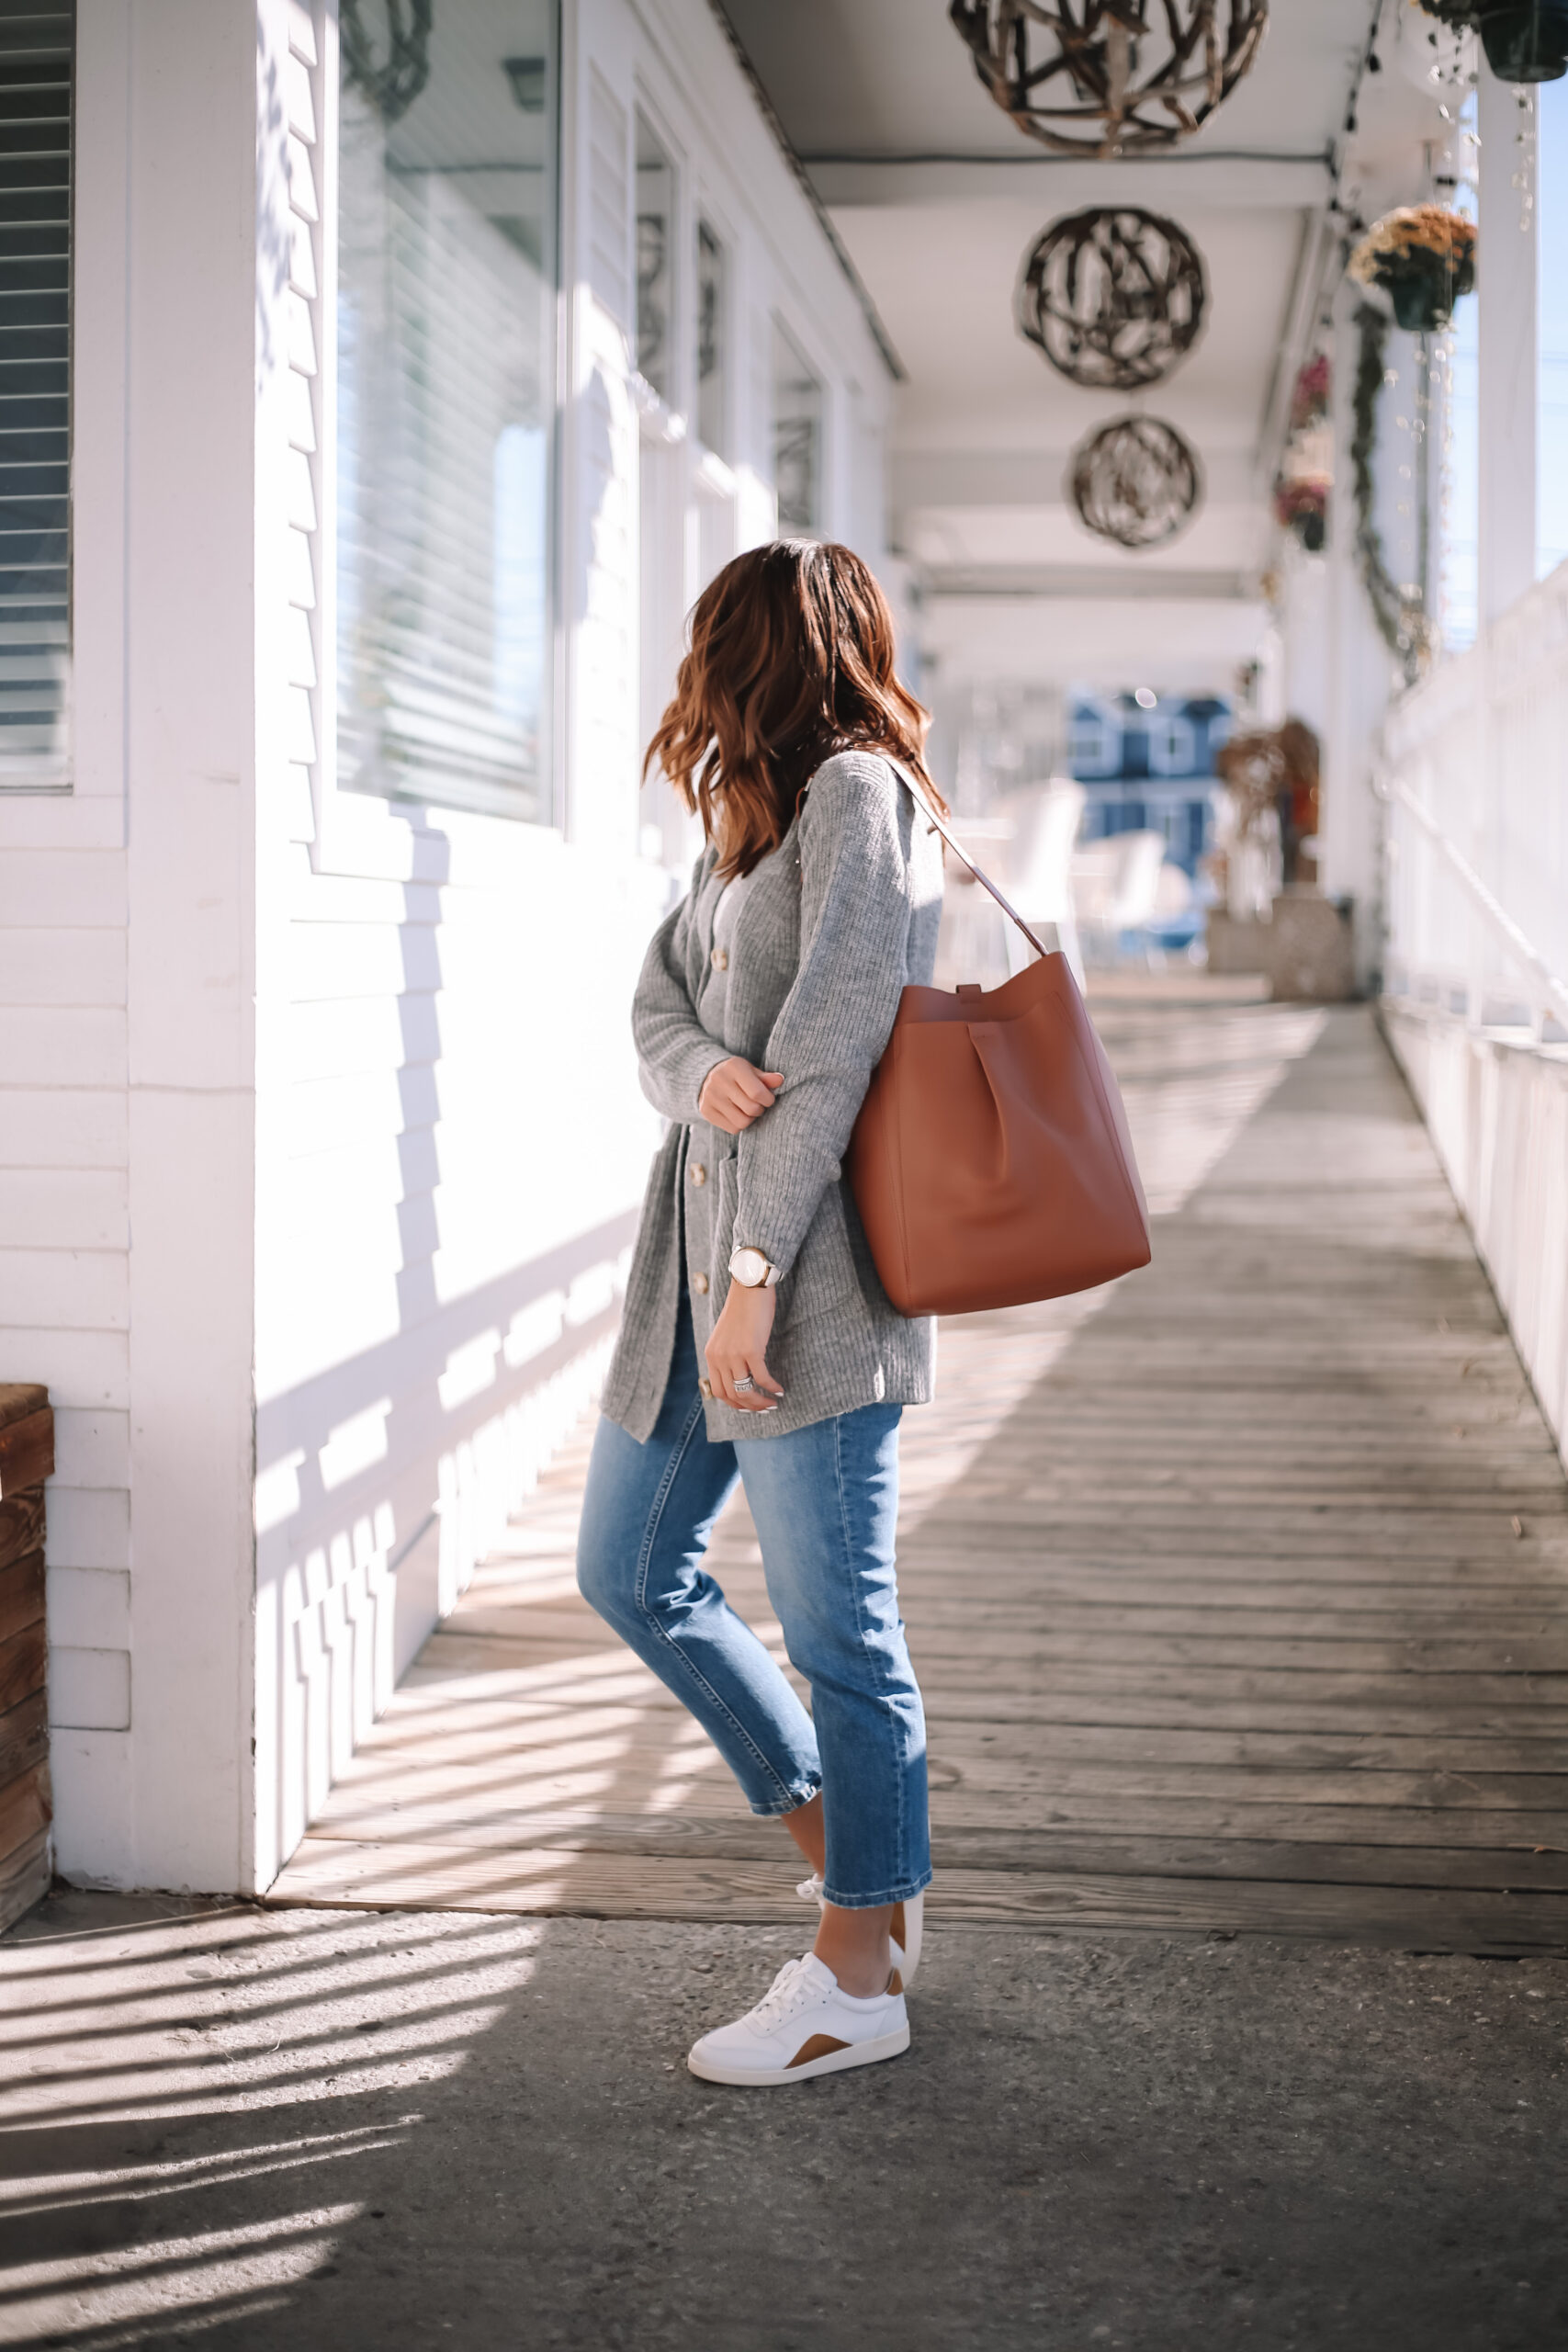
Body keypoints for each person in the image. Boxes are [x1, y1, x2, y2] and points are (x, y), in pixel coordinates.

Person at [576, 540, 946, 2086]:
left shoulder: (864, 798)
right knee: (629, 1568)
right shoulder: (749, 815)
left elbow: (840, 1044)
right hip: (693, 1266)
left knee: (842, 1630)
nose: (696, 673)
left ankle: (857, 1973)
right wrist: (694, 1075)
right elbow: (658, 1003)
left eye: (714, 642)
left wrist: (757, 1281)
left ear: (773, 649)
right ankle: (859, 1854)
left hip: (807, 1281)